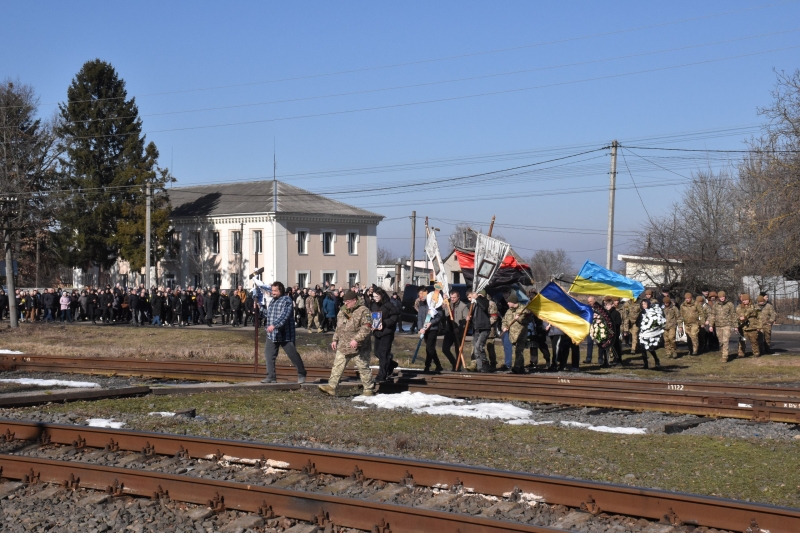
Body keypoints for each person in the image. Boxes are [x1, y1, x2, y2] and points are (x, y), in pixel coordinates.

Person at [318, 289, 375, 396]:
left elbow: (366, 327)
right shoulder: (342, 311)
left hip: (359, 346)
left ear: (354, 300)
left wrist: (357, 339)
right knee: (337, 365)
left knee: (363, 367)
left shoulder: (364, 311)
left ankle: (368, 389)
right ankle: (331, 386)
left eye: (347, 302)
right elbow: (339, 327)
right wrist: (335, 339)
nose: (345, 304)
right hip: (344, 344)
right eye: (344, 302)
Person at [258, 281, 307, 384]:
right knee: (269, 355)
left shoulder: (287, 300)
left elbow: (284, 316)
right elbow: (268, 315)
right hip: (272, 335)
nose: (273, 292)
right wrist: (260, 308)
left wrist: (274, 325)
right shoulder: (272, 301)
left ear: (281, 290)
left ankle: (302, 373)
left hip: (285, 335)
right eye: (272, 290)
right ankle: (271, 376)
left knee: (293, 355)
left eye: (275, 291)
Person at [370, 286, 399, 382]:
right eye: (374, 297)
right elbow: (372, 316)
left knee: (383, 353)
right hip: (377, 332)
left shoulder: (389, 305)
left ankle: (382, 375)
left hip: (387, 332)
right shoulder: (374, 305)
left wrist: (385, 323)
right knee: (377, 353)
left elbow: (395, 317)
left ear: (381, 295)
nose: (375, 299)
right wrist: (371, 325)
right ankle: (390, 363)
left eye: (377, 296)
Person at [501, 292, 533, 374]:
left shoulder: (523, 309)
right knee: (517, 351)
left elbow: (528, 320)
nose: (507, 303)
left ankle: (517, 367)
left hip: (520, 334)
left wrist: (519, 318)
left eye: (509, 302)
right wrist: (504, 327)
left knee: (519, 351)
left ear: (513, 302)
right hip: (512, 335)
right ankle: (521, 368)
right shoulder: (509, 311)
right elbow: (504, 320)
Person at [417, 287, 445, 372]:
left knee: (429, 347)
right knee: (431, 348)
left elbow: (439, 316)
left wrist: (431, 323)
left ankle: (427, 366)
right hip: (424, 329)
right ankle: (438, 365)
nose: (420, 296)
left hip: (433, 328)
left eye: (422, 294)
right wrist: (420, 328)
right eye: (419, 294)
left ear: (426, 293)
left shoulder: (434, 302)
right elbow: (420, 317)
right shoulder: (421, 304)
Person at [441, 290, 467, 371]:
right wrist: (444, 303)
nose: (452, 299)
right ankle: (454, 363)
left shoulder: (463, 306)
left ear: (458, 297)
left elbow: (466, 320)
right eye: (451, 297)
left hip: (458, 331)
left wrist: (459, 328)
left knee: (458, 350)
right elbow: (445, 314)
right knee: (445, 349)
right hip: (449, 330)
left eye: (454, 297)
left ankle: (457, 368)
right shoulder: (448, 303)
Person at [469, 290, 492, 372]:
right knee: (476, 349)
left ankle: (485, 364)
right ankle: (480, 367)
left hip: (484, 328)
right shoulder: (475, 303)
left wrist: (477, 297)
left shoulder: (485, 301)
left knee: (479, 346)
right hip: (476, 328)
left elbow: (484, 306)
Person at [636, 299, 662, 369]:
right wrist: (642, 326)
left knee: (650, 348)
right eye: (642, 304)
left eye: (645, 304)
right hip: (642, 333)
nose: (643, 305)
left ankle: (656, 360)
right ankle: (645, 364)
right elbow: (637, 322)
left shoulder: (652, 312)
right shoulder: (641, 313)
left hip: (650, 333)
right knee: (642, 349)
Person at [736, 294, 761, 358]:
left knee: (754, 341)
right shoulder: (739, 307)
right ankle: (741, 354)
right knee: (742, 342)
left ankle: (756, 353)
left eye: (746, 300)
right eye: (743, 300)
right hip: (743, 327)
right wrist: (739, 319)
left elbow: (760, 317)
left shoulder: (755, 306)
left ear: (749, 299)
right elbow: (736, 316)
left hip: (753, 327)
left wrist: (759, 326)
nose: (744, 301)